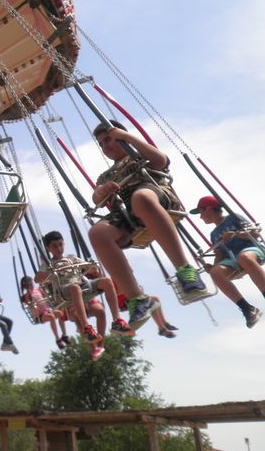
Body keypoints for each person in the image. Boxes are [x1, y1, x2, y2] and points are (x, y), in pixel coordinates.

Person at [87, 120, 206, 329]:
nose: (106, 146)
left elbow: (160, 161)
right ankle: (138, 298)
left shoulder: (138, 154)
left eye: (109, 140)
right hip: (126, 213)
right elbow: (96, 198)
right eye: (102, 144)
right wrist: (102, 192)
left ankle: (185, 270)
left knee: (140, 198)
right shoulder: (105, 176)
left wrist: (128, 138)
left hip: (153, 195)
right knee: (96, 233)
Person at [37, 231, 133, 359]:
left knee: (106, 282)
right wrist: (50, 274)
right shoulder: (48, 265)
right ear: (48, 249)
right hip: (64, 292)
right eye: (55, 246)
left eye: (61, 245)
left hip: (82, 287)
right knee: (75, 288)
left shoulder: (72, 258)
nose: (59, 249)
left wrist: (92, 267)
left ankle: (117, 320)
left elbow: (88, 268)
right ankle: (87, 328)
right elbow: (37, 278)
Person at [192, 195, 265, 328]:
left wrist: (235, 234)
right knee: (215, 273)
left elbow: (255, 234)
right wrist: (212, 267)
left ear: (209, 208)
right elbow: (219, 255)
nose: (201, 217)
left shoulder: (233, 218)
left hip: (251, 250)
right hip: (233, 259)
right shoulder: (213, 234)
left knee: (244, 257)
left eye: (201, 212)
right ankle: (247, 309)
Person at [19, 275, 70, 349]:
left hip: (48, 311)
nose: (32, 285)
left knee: (60, 313)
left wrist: (43, 287)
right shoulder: (26, 296)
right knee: (51, 317)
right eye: (30, 284)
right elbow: (26, 302)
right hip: (39, 316)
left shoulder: (38, 290)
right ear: (26, 286)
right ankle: (57, 339)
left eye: (32, 283)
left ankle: (64, 335)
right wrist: (29, 301)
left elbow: (45, 294)